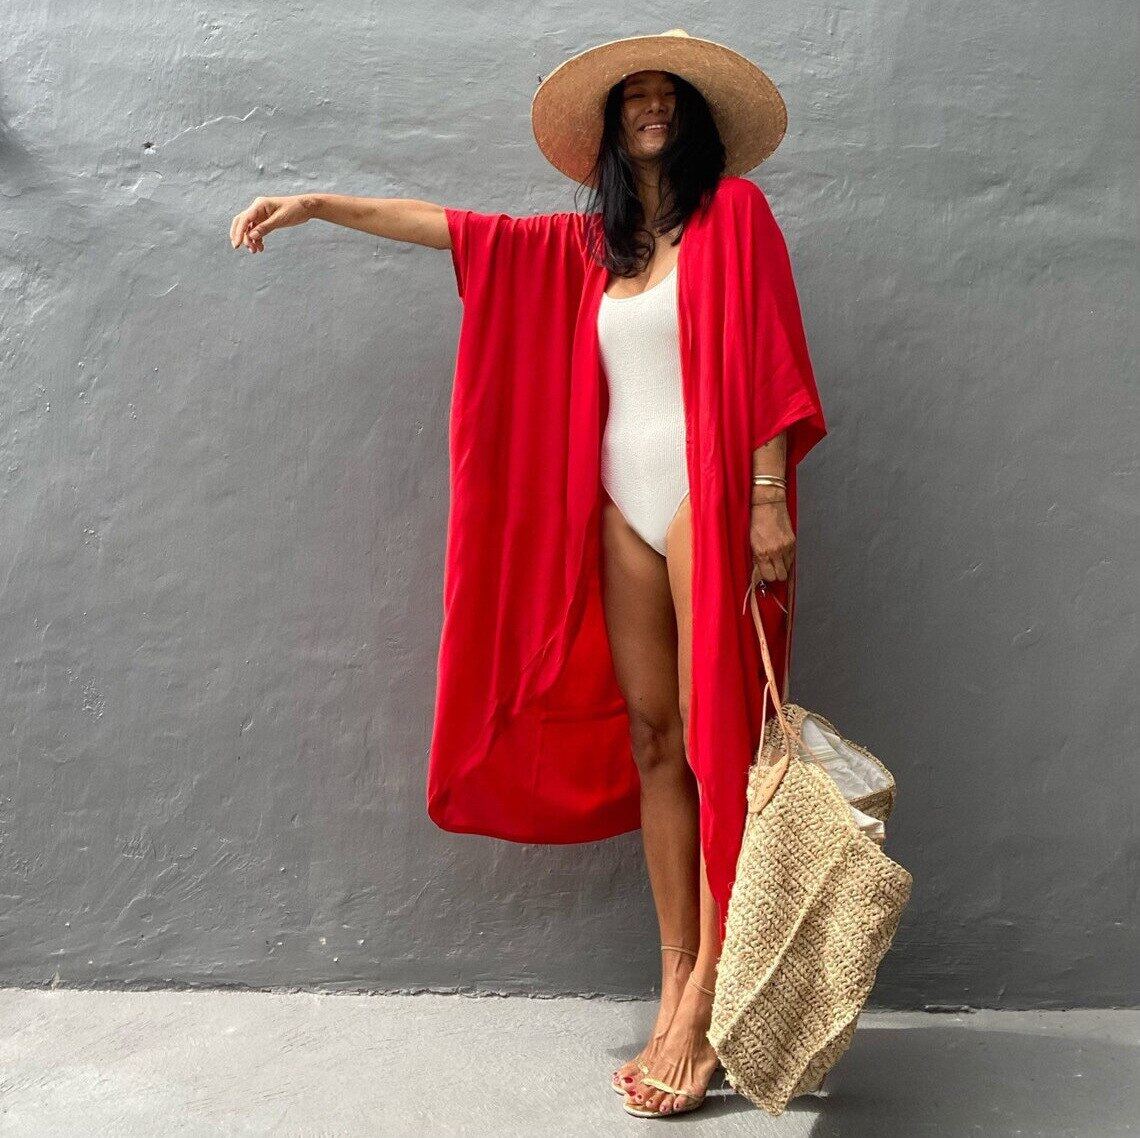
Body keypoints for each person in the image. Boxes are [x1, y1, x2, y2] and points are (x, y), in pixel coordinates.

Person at [230, 28, 827, 1121]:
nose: (652, 106)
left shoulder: (736, 216)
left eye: (668, 94)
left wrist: (765, 496)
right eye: (635, 96)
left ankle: (707, 1001)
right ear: (613, 125)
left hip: (709, 500)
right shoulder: (591, 249)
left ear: (692, 117)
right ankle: (673, 971)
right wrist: (319, 205)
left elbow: (775, 352)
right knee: (655, 739)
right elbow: (460, 231)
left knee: (717, 741)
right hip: (622, 510)